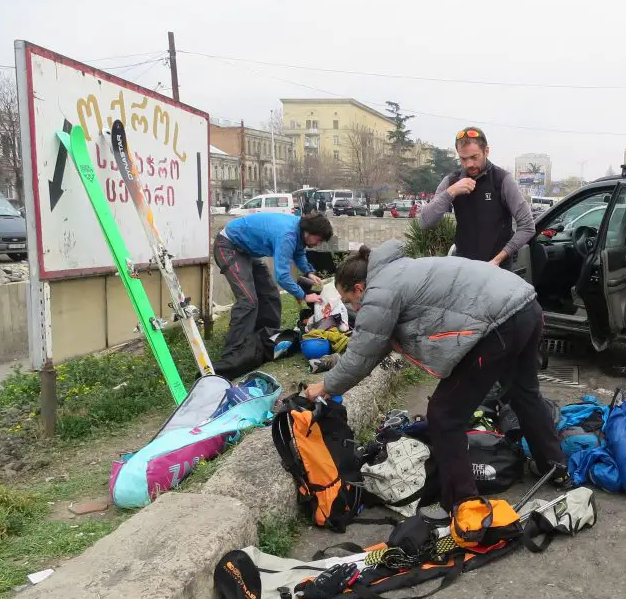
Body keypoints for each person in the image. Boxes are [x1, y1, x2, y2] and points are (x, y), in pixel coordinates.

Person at [304, 241, 566, 514]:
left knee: (444, 415)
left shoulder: (379, 290)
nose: (351, 306)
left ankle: (464, 505)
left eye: (347, 300)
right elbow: (376, 345)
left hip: (499, 323)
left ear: (359, 287)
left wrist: (325, 386)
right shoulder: (397, 272)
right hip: (525, 305)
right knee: (524, 393)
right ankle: (556, 468)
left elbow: (362, 353)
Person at [213, 212, 333, 366]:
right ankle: (232, 354)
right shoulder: (287, 235)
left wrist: (308, 271)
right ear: (309, 232)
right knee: (248, 301)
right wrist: (304, 296)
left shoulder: (299, 229)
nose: (318, 244)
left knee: (270, 294)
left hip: (246, 251)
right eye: (319, 239)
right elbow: (282, 276)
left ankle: (263, 339)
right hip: (228, 246)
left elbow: (299, 251)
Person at [419, 126, 535, 270]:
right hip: (463, 268)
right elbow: (425, 222)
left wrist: (498, 259)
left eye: (474, 157)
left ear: (486, 151)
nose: (469, 164)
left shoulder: (502, 180)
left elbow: (527, 226)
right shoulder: (452, 181)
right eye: (463, 158)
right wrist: (451, 192)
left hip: (498, 269)